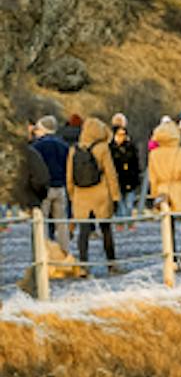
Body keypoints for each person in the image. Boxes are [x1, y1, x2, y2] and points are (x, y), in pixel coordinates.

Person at [64, 115, 120, 270]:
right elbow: (111, 174)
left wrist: (72, 195)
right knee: (106, 230)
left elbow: (69, 176)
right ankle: (111, 263)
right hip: (101, 194)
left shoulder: (73, 149)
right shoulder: (102, 149)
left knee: (83, 231)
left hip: (81, 195)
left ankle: (83, 264)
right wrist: (115, 196)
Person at [144, 116, 181, 264]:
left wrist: (155, 194)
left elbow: (153, 177)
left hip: (163, 190)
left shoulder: (154, 154)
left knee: (169, 225)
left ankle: (172, 255)